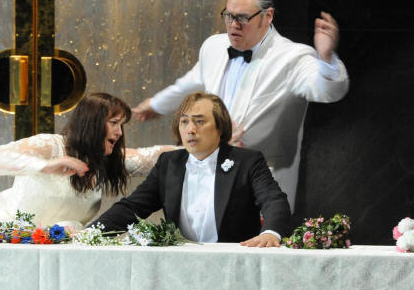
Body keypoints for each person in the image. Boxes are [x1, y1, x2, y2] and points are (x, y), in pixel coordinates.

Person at [131, 0, 349, 210]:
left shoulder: (293, 57)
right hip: (212, 169)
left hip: (267, 177)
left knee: (262, 241)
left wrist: (325, 58)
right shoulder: (213, 47)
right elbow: (192, 81)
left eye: (243, 18)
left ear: (268, 16)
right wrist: (156, 104)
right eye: (229, 15)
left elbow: (328, 91)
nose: (233, 25)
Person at [0, 92, 175, 230]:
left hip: (58, 247)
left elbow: (155, 155)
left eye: (121, 125)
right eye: (114, 123)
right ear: (92, 124)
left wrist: (205, 141)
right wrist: (45, 166)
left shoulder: (109, 161)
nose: (119, 133)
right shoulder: (53, 145)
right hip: (8, 234)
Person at [92, 92, 290, 246]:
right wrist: (91, 233)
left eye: (199, 121)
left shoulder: (247, 161)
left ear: (220, 127)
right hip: (182, 264)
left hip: (235, 262)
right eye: (184, 121)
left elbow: (273, 199)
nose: (190, 129)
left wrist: (271, 233)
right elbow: (132, 208)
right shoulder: (169, 163)